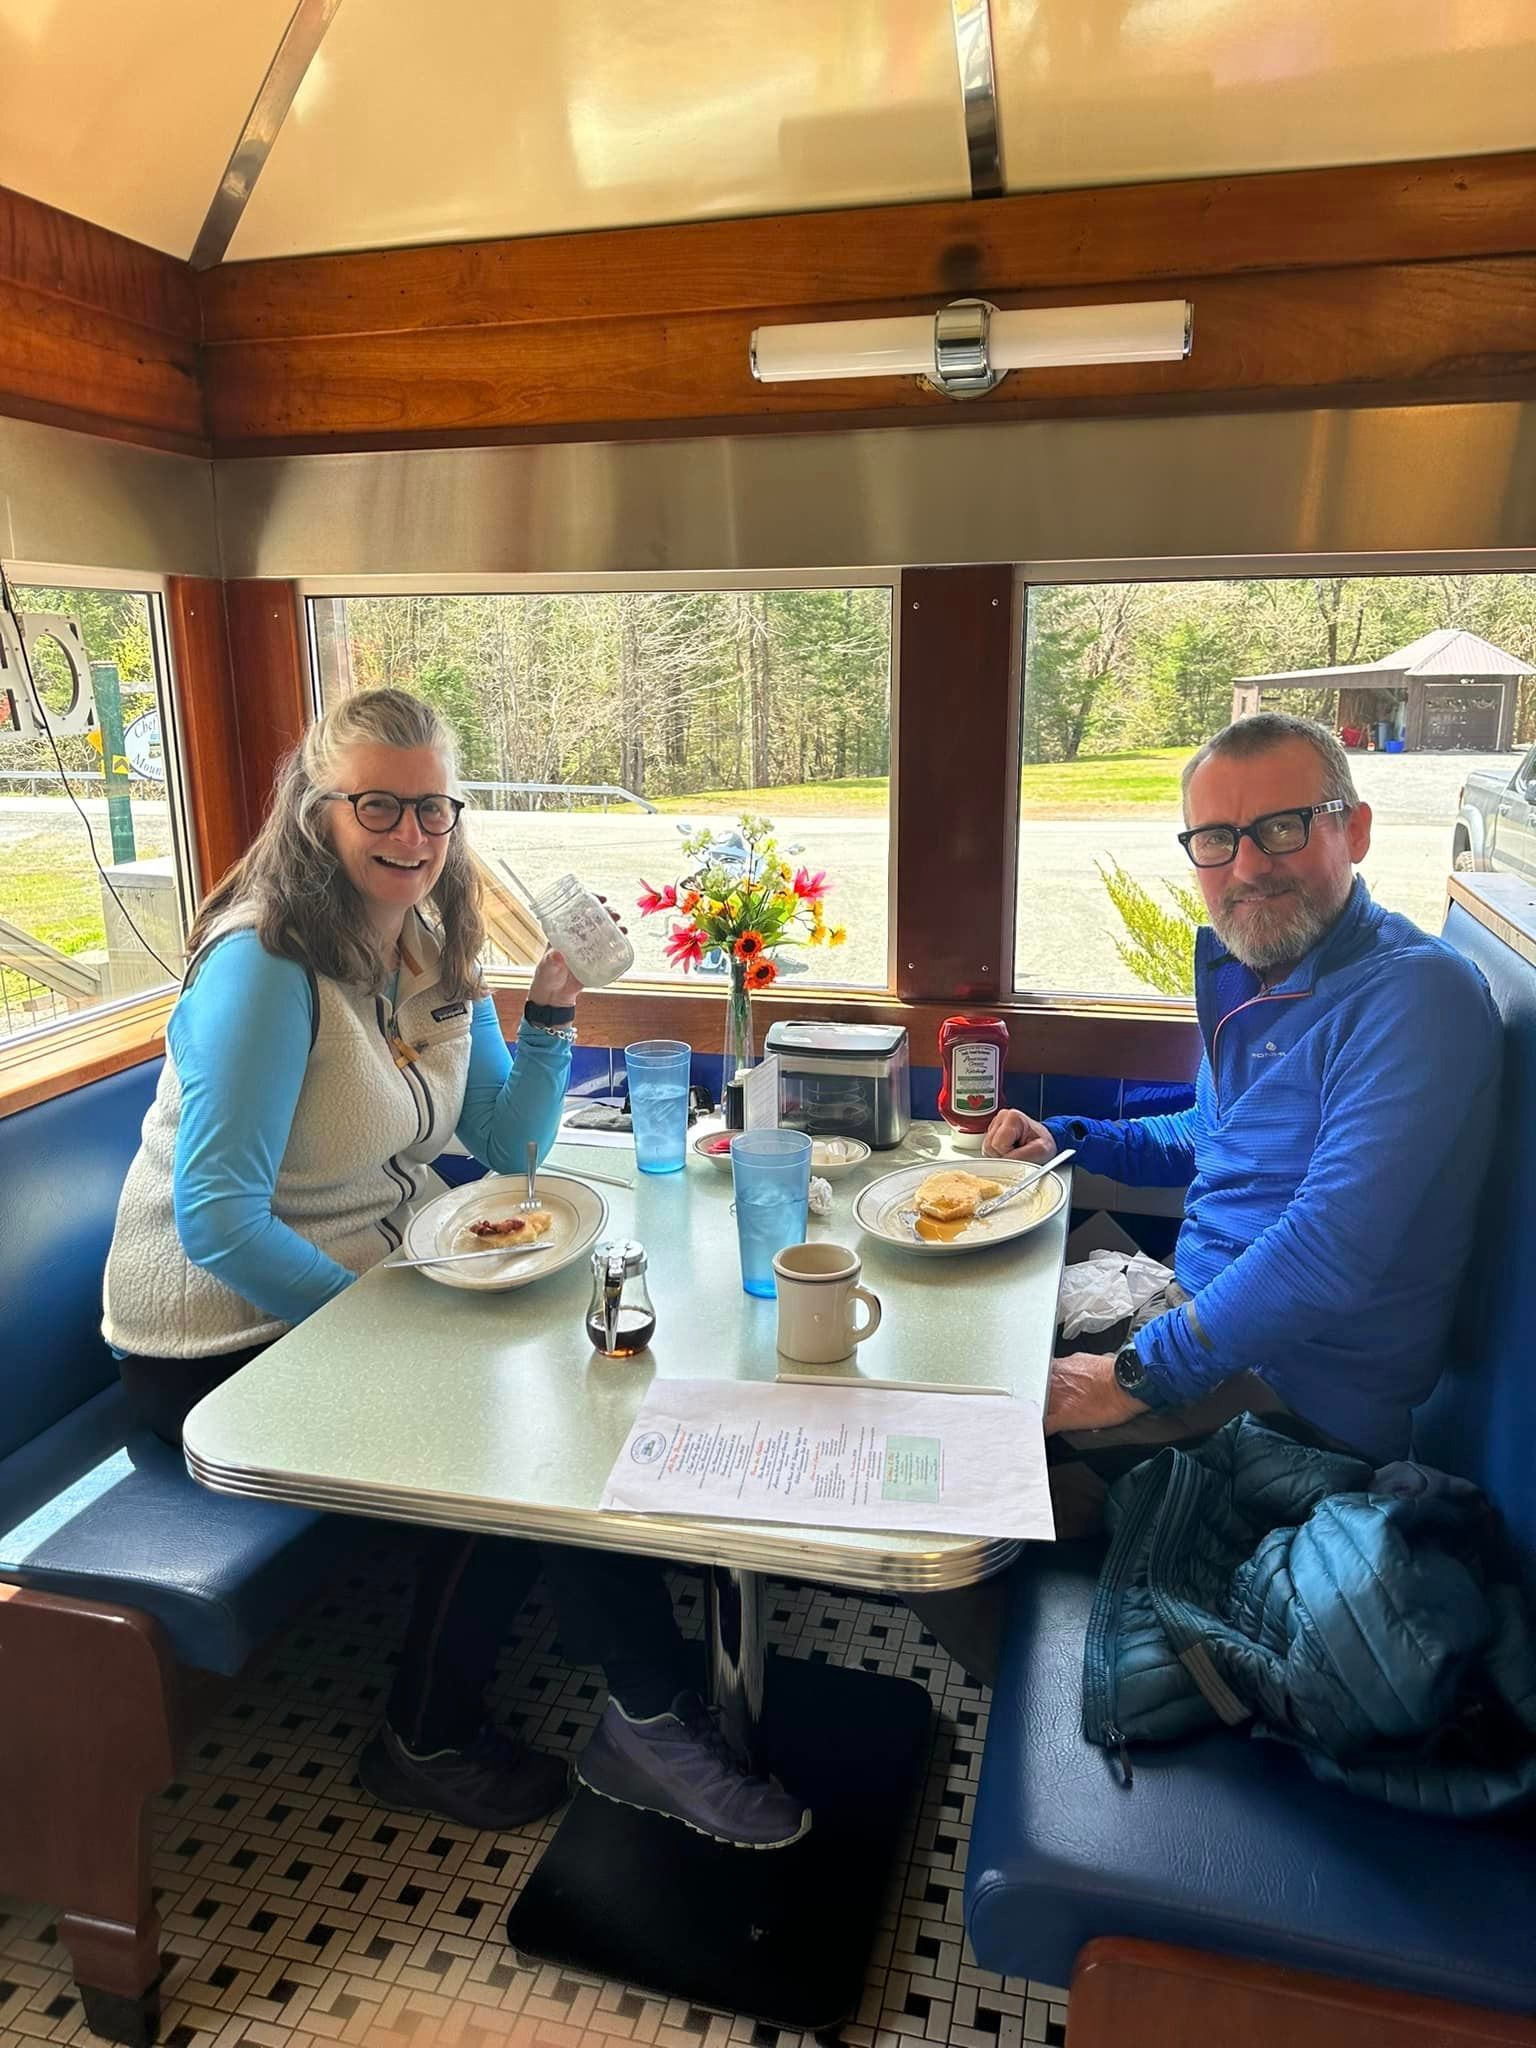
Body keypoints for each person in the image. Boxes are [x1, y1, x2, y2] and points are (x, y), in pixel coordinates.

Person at [103, 687, 808, 1850]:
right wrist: (386, 1326)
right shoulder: (263, 966)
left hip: (368, 1278)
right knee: (520, 1419)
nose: (413, 833)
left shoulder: (433, 943)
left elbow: (514, 1143)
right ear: (315, 811)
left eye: (434, 805)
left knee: (583, 1369)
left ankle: (650, 1695)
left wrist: (547, 1018)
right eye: (378, 803)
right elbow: (218, 1218)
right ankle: (461, 1734)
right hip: (212, 1334)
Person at [911, 711, 1501, 1683]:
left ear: (1353, 829)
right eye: (1217, 839)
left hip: (1291, 1409)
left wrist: (1127, 1378)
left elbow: (1326, 1250)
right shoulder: (1262, 977)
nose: (1247, 865)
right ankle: (1085, 1546)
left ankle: (1058, 1690)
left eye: (1281, 826)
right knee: (937, 1347)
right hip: (1199, 1330)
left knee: (919, 1475)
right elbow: (1210, 1134)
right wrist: (1074, 1141)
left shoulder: (1415, 996)